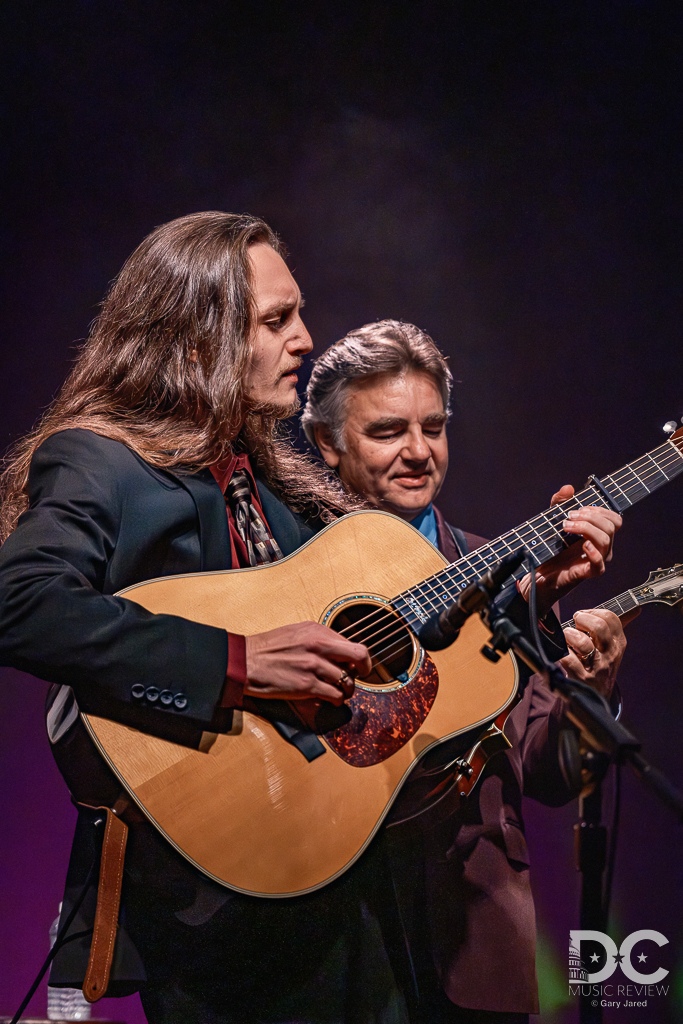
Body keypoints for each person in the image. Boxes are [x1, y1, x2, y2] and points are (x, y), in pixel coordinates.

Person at [0, 218, 619, 1024]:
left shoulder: (276, 485)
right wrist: (235, 661)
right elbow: (21, 604)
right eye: (275, 320)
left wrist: (527, 587)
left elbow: (387, 633)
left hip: (332, 888)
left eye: (297, 315)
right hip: (201, 903)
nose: (304, 337)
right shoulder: (102, 460)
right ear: (196, 340)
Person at [301, 319, 629, 1023]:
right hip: (322, 940)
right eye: (388, 431)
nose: (418, 452)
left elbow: (545, 773)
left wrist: (590, 688)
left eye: (434, 427)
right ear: (327, 443)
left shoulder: (506, 572)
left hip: (472, 938)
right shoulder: (276, 566)